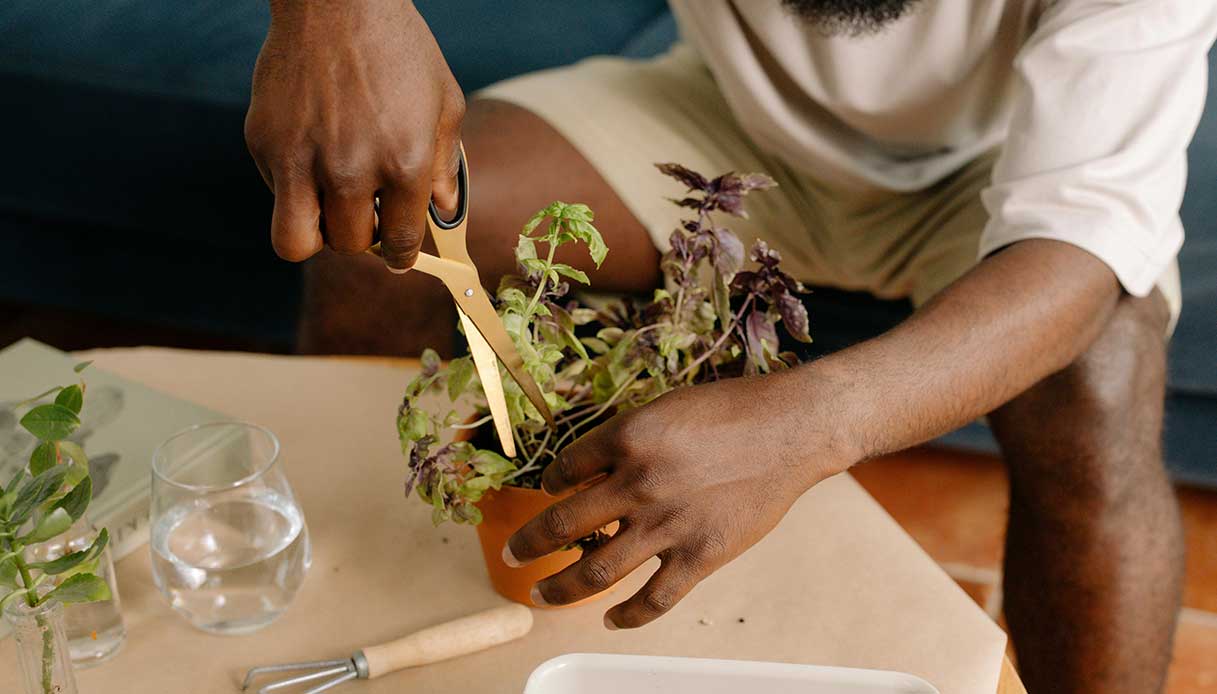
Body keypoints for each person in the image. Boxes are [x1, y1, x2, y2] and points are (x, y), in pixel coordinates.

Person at [243, 2, 1217, 691]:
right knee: (391, 235)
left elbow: (1077, 252)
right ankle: (381, 630)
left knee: (1094, 381)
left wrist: (801, 426)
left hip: (1004, 163)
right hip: (725, 123)